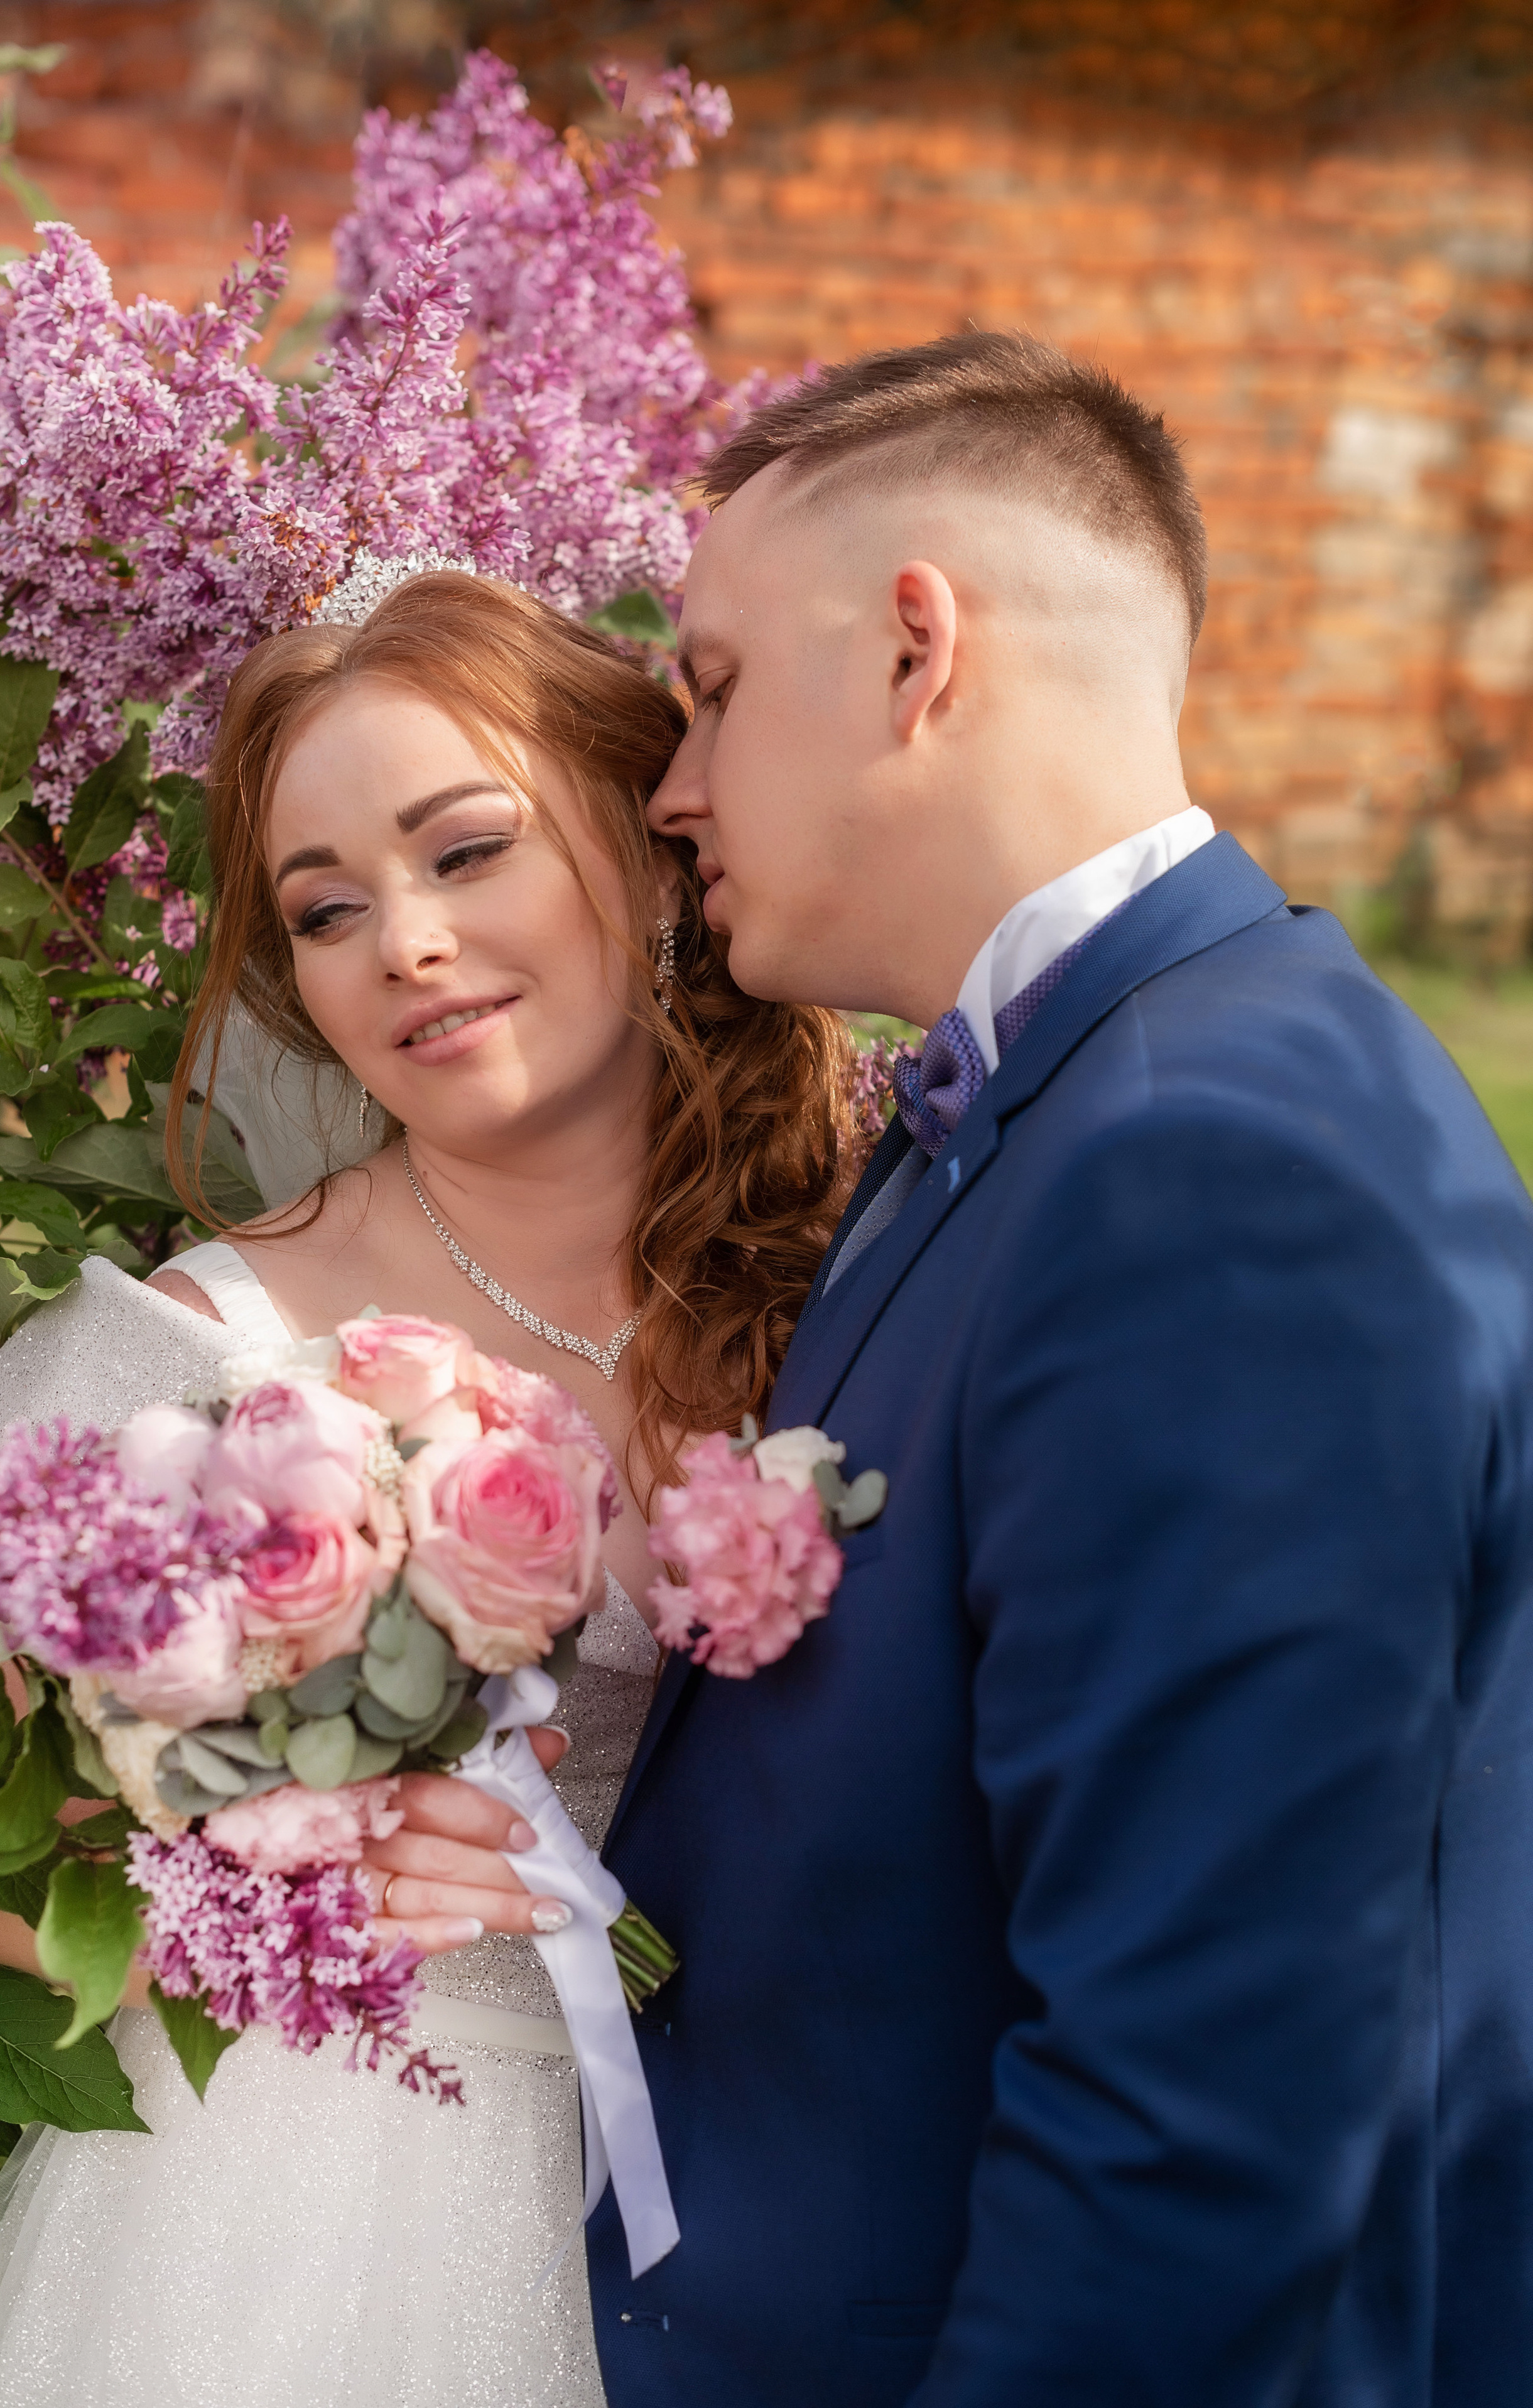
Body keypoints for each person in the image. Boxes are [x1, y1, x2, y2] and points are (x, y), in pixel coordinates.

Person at [588, 331, 1533, 2407]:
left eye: (719, 687)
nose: (672, 790)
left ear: (918, 650)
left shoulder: (1219, 1171)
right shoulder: (1063, 1101)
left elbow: (1201, 2105)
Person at [0, 570, 857, 2408]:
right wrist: (300, 1893)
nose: (406, 943)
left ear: (662, 854)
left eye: (470, 851)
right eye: (329, 908)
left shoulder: (853, 1280)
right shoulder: (214, 1357)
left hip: (782, 2164)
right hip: (314, 2198)